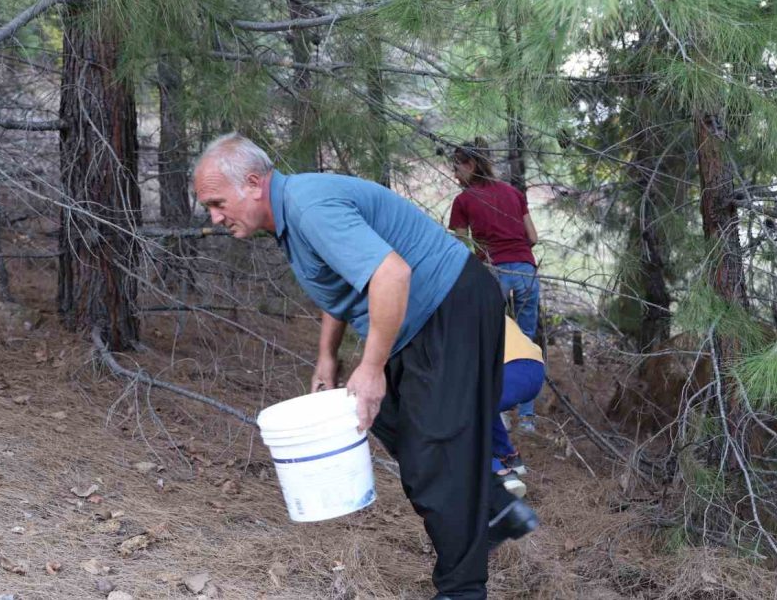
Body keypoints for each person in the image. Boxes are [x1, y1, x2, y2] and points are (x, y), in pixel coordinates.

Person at [193, 133, 538, 600]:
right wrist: (327, 357)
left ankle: (462, 589)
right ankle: (496, 509)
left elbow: (391, 273)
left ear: (253, 183)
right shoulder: (291, 215)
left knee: (438, 452)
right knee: (396, 427)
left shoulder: (309, 206)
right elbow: (344, 279)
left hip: (449, 305)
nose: (214, 217)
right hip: (419, 320)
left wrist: (372, 367)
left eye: (216, 202)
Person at [448, 139, 542, 431]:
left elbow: (462, 246)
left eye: (457, 167)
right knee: (526, 340)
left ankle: (499, 410)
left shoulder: (464, 201)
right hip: (527, 270)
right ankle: (527, 418)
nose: (454, 174)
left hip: (493, 271)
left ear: (471, 165)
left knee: (492, 341)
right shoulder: (514, 193)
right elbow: (534, 237)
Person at [492, 316, 545, 499]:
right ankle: (510, 458)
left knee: (464, 411)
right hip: (536, 369)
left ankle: (500, 473)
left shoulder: (453, 312)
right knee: (484, 408)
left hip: (509, 370)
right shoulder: (488, 303)